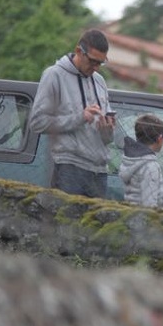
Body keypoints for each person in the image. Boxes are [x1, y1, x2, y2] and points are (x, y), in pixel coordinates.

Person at [29, 28, 115, 198]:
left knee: (94, 225)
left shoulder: (99, 80)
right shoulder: (54, 75)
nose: (96, 68)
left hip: (99, 171)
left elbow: (108, 138)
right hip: (69, 168)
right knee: (65, 224)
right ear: (78, 51)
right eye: (92, 61)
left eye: (101, 63)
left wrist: (108, 129)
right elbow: (37, 122)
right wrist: (80, 117)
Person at [119, 114, 163, 210]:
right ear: (159, 138)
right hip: (145, 219)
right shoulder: (150, 167)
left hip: (131, 213)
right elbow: (149, 204)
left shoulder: (132, 159)